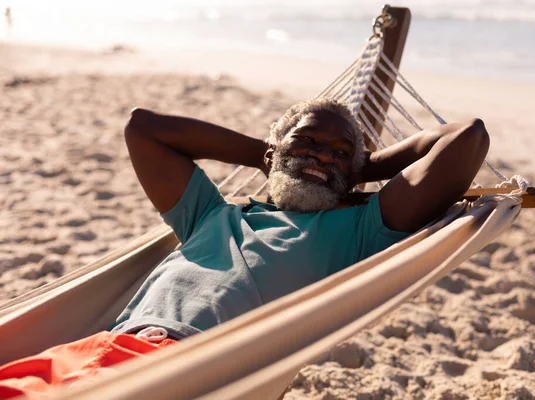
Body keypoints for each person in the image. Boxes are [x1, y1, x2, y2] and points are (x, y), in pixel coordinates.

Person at [0, 98, 489, 397]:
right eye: (309, 141)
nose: (323, 153)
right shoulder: (211, 214)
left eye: (340, 152)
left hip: (178, 370)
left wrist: (362, 167)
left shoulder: (363, 228)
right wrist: (276, 156)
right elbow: (143, 128)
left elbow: (467, 137)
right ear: (271, 153)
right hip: (92, 351)